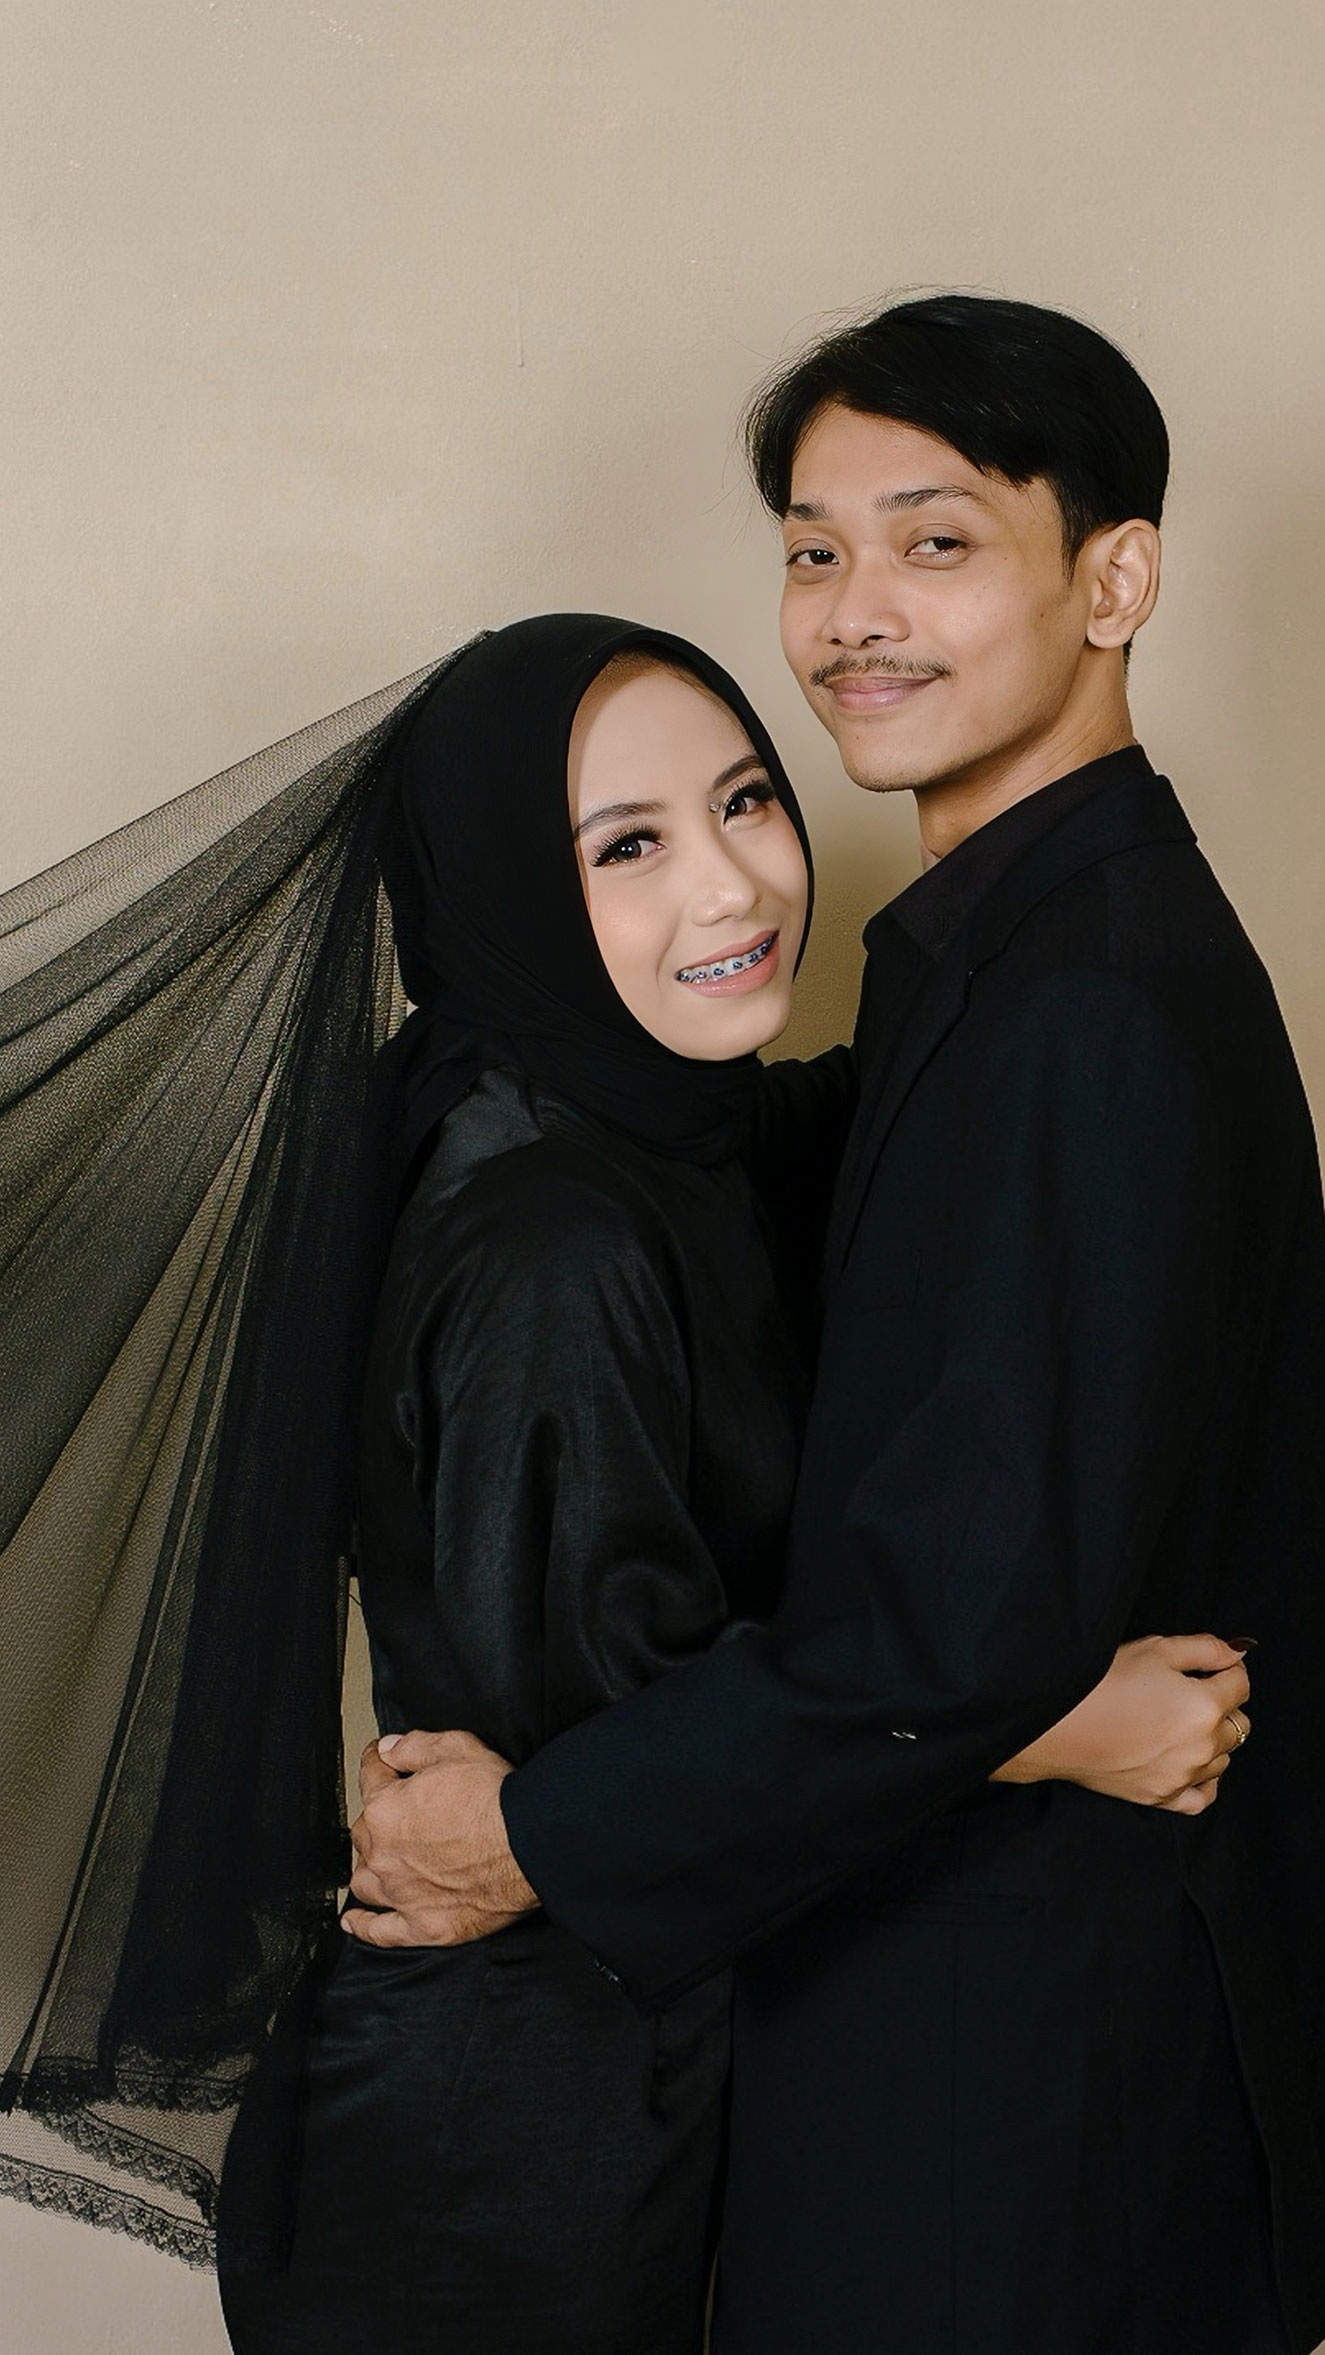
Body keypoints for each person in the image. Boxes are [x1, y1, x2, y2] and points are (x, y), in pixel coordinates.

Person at [343, 300, 1325, 2355]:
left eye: (935, 541)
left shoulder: (1080, 1007)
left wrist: (524, 1837)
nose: (854, 615)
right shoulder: (993, 956)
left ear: (1115, 581)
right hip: (969, 2043)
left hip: (1010, 2080)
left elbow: (940, 1633)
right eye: (813, 550)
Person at [209, 613, 1238, 2355]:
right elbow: (628, 1763)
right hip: (495, 2162)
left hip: (621, 2091)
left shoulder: (663, 1131)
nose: (732, 886)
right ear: (510, 901)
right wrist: (1053, 1723)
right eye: (626, 847)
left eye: (747, 799)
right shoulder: (552, 1242)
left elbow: (917, 1100)